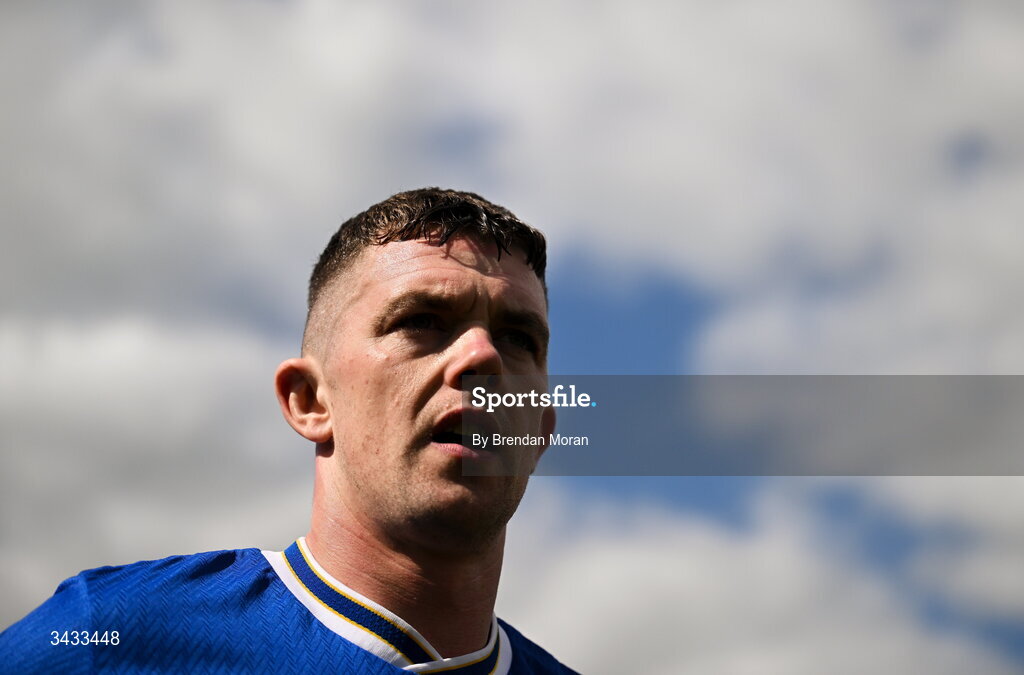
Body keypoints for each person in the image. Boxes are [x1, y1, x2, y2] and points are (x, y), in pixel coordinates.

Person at [0, 188, 576, 674]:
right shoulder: (108, 637)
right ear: (309, 401)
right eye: (422, 321)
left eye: (519, 337)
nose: (481, 356)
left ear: (541, 431)